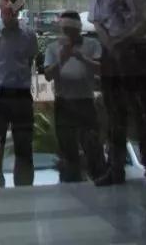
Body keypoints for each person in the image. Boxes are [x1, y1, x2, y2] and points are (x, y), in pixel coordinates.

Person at [90, 0, 146, 190]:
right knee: (114, 113)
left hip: (140, 52)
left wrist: (124, 41)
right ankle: (115, 168)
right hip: (111, 52)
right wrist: (111, 44)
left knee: (145, 114)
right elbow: (97, 20)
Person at [0, 0, 38, 187]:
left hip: (22, 95)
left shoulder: (29, 35)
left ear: (20, 5)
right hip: (1, 95)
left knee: (24, 147)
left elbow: (30, 59)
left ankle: (24, 191)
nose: (8, 3)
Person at [43, 11, 105, 183]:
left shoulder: (92, 44)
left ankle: (98, 178)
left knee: (92, 145)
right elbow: (47, 75)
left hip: (85, 101)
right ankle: (70, 182)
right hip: (64, 102)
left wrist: (82, 58)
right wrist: (61, 60)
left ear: (78, 29)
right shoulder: (53, 48)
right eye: (64, 30)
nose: (67, 33)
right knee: (67, 148)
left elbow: (101, 69)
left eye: (70, 29)